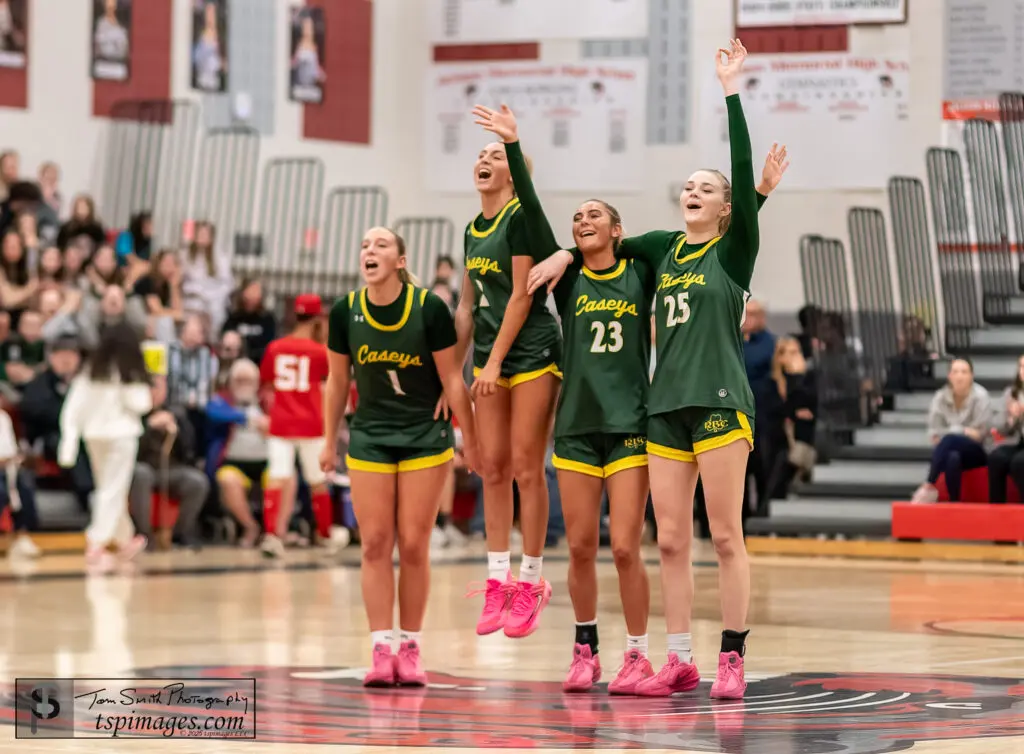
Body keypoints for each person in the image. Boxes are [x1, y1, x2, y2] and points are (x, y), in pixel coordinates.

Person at [527, 40, 788, 699]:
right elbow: (599, 240)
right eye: (688, 188)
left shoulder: (734, 252)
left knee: (724, 534)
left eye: (706, 190)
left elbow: (739, 168)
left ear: (728, 210)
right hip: (664, 408)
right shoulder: (659, 248)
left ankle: (732, 657)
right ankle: (679, 659)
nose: (693, 193)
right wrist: (562, 254)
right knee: (670, 540)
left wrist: (730, 90)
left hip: (721, 400)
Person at [320, 227, 479, 687]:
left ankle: (410, 645)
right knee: (373, 544)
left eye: (381, 245)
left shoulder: (428, 307)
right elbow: (335, 383)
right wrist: (329, 440)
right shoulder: (345, 311)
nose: (370, 250)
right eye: (365, 245)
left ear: (401, 260)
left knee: (412, 544)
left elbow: (453, 378)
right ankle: (380, 649)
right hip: (369, 435)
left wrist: (469, 440)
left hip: (424, 436)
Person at [455, 118, 563, 640]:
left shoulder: (521, 216)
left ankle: (532, 581)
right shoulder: (471, 229)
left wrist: (494, 362)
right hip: (488, 353)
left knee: (525, 466)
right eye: (481, 154)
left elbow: (522, 295)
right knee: (491, 468)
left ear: (514, 175)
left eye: (496, 156)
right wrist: (453, 371)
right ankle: (497, 581)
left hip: (532, 350)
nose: (485, 160)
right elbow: (466, 304)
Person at [58, 322, 152, 572]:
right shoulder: (130, 372)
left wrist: (68, 443)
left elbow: (73, 408)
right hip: (121, 437)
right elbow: (142, 404)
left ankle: (124, 539)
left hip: (94, 436)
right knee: (112, 488)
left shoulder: (91, 371)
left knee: (109, 487)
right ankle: (96, 541)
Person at [259, 294, 337, 558]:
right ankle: (324, 535)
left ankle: (271, 535)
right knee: (317, 481)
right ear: (317, 318)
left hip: (281, 422)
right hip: (311, 423)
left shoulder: (275, 348)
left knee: (277, 478)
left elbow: (266, 384)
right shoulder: (320, 352)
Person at [912, 358, 991, 504]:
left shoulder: (981, 396)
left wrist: (954, 431)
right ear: (949, 376)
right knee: (952, 457)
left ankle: (929, 484)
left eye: (964, 372)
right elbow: (934, 434)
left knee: (950, 439)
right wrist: (963, 431)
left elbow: (980, 435)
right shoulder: (940, 397)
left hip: (976, 452)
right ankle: (954, 503)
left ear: (971, 376)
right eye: (955, 372)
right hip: (947, 450)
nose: (959, 376)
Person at [989, 355, 1024, 503]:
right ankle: (997, 512)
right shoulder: (1011, 393)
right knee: (997, 458)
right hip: (1018, 442)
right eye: (1022, 367)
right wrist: (1012, 419)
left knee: (1019, 462)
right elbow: (999, 428)